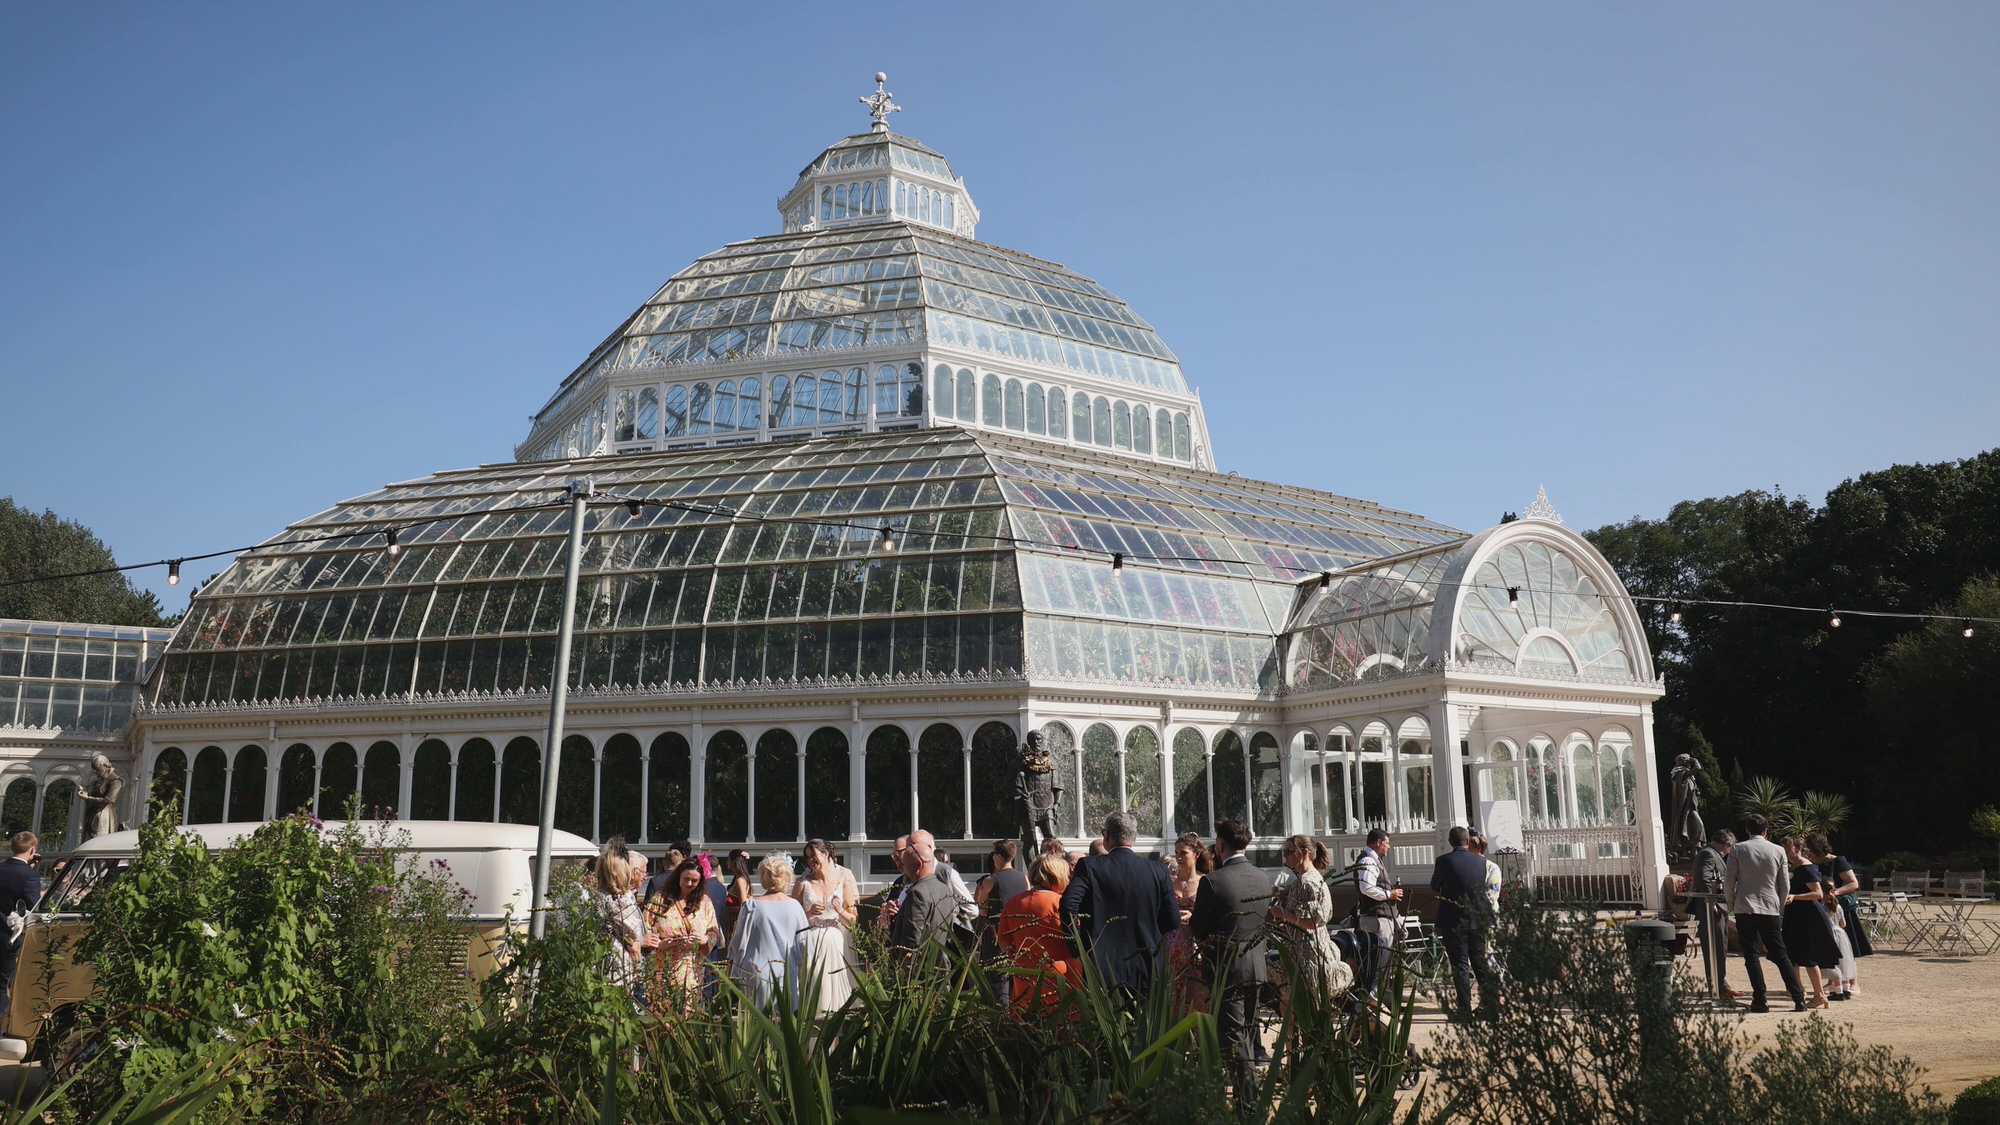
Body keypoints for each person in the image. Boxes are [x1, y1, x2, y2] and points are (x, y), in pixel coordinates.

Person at [1190, 819, 1273, 1094]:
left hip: (1227, 968)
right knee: (1247, 1033)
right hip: (1256, 965)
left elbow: (1199, 930)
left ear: (1220, 845)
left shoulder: (1213, 882)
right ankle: (1248, 1096)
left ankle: (1247, 1103)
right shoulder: (1263, 878)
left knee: (1234, 1038)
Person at [1060, 811, 1179, 995]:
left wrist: (1079, 946)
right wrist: (1152, 936)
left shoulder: (1090, 867)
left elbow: (1068, 905)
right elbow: (1172, 920)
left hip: (1102, 965)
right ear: (1135, 838)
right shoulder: (1158, 871)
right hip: (1147, 964)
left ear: (1106, 835)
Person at [1722, 814, 1805, 1013]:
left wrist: (1732, 904)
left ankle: (1760, 999)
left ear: (1747, 830)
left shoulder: (1738, 849)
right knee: (1781, 953)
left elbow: (1728, 881)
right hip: (1770, 907)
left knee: (1751, 955)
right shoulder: (1778, 850)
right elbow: (1784, 883)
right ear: (1766, 830)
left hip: (1745, 907)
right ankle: (1798, 998)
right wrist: (1779, 906)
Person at [1269, 834, 1350, 1008]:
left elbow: (1313, 922)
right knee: (1291, 1004)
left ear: (1304, 852)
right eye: (1284, 852)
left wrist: (1282, 914)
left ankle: (1298, 1035)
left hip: (1308, 955)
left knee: (1302, 1005)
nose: (1285, 856)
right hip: (1305, 949)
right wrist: (1289, 925)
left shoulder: (1307, 882)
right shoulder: (1311, 878)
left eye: (1289, 851)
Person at [1430, 825, 1500, 1022]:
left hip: (1453, 921)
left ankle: (1464, 1011)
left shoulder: (1443, 861)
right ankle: (1491, 1008)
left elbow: (1435, 885)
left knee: (1460, 966)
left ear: (1451, 842)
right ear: (1467, 841)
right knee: (1480, 964)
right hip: (1478, 920)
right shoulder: (1481, 862)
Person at [997, 854, 1079, 1014]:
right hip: (1062, 976)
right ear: (1059, 876)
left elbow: (1004, 942)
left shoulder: (1014, 902)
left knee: (1026, 1024)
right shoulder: (1062, 903)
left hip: (1024, 976)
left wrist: (1018, 958)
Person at [728, 854, 809, 1010]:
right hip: (787, 972)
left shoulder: (751, 906)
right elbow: (804, 944)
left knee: (754, 1026)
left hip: (755, 970)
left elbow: (738, 942)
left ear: (762, 877)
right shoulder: (795, 906)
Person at [646, 858, 720, 1014]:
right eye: (686, 879)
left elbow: (714, 931)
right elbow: (645, 927)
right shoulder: (660, 899)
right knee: (663, 1012)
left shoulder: (704, 902)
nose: (689, 884)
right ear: (678, 876)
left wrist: (704, 939)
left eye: (694, 881)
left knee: (688, 1012)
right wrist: (659, 944)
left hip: (691, 969)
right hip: (662, 967)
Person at [794, 838, 859, 1013]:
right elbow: (791, 918)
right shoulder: (802, 883)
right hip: (811, 940)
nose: (811, 861)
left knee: (836, 988)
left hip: (836, 942)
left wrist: (840, 911)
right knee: (816, 985)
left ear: (825, 854)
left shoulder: (842, 882)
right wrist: (808, 914)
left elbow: (853, 920)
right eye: (807, 858)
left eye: (813, 856)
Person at [882, 830, 962, 963]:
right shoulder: (945, 890)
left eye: (906, 865)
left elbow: (912, 942)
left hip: (919, 972)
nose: (903, 870)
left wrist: (904, 970)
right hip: (939, 968)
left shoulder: (917, 893)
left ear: (918, 865)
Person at [1779, 835, 1839, 1009]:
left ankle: (1819, 995)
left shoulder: (1807, 868)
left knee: (1808, 958)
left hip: (1808, 918)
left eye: (1787, 848)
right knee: (1795, 956)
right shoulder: (1800, 868)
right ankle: (1800, 990)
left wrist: (1795, 897)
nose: (1785, 852)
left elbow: (1818, 894)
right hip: (1800, 917)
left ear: (1797, 849)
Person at [1807, 832, 1868, 999]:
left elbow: (1853, 883)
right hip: (1824, 909)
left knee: (1847, 949)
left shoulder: (1837, 860)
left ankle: (1853, 983)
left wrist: (1835, 892)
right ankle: (1833, 982)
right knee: (1830, 949)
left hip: (1839, 908)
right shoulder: (1813, 864)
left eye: (1809, 850)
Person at [1163, 831, 1213, 1007]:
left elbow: (1212, 915)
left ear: (1196, 854)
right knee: (1173, 1000)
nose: (1179, 857)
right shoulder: (1169, 882)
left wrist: (1194, 915)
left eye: (1183, 853)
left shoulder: (1205, 881)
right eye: (1176, 853)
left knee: (1196, 997)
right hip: (1172, 947)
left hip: (1196, 945)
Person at [1689, 829, 1738, 999]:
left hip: (1718, 907)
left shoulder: (1711, 853)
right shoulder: (1708, 854)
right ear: (1726, 845)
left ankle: (1721, 985)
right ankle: (1718, 988)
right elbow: (1704, 878)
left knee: (1720, 946)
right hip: (1712, 908)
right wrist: (1712, 903)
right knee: (1715, 948)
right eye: (1729, 848)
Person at [0, 832, 43, 1018]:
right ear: (33, 850)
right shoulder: (29, 876)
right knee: (3, 983)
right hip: (6, 935)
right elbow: (34, 906)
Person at [974, 840, 1028, 970]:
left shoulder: (990, 880)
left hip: (996, 928)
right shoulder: (1024, 878)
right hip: (1018, 926)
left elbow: (983, 910)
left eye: (994, 854)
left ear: (998, 856)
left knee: (994, 970)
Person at [1013, 731, 1063, 862]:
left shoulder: (1051, 762)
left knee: (1051, 837)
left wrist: (1056, 805)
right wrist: (1021, 795)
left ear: (1043, 741)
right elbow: (1015, 784)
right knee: (1029, 839)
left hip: (1047, 806)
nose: (1036, 742)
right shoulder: (1021, 762)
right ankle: (1032, 871)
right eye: (1033, 739)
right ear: (1029, 742)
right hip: (1028, 806)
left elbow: (1058, 787)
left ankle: (1054, 866)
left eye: (1039, 739)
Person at [1354, 829, 1403, 950]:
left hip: (1378, 918)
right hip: (1376, 920)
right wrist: (1389, 894)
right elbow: (1366, 888)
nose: (1389, 847)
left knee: (1380, 960)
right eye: (1387, 843)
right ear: (1378, 842)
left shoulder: (1373, 859)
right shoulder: (1368, 860)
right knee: (1380, 960)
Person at [81, 754, 123, 841]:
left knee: (98, 842)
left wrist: (87, 798)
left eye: (97, 769)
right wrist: (87, 795)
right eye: (95, 770)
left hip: (104, 818)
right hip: (94, 817)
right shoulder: (101, 780)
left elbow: (108, 800)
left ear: (105, 766)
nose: (96, 773)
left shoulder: (115, 780)